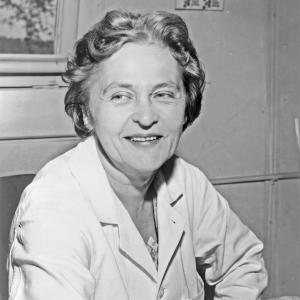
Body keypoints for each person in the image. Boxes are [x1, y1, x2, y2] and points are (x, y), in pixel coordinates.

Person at [7, 10, 268, 300]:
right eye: (120, 96)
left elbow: (243, 262)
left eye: (163, 94)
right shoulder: (53, 210)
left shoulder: (186, 181)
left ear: (186, 105)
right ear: (85, 112)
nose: (146, 116)